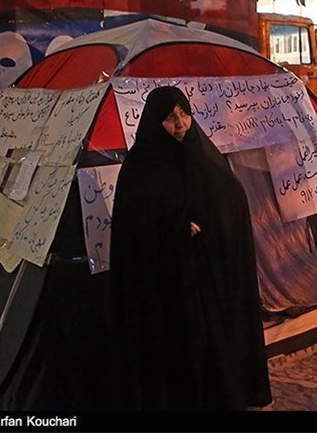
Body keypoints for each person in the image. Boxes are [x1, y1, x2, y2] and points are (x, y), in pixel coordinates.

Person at [109, 86, 271, 411]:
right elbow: (132, 230)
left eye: (184, 114)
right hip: (165, 284)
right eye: (170, 118)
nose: (180, 124)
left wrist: (215, 224)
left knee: (211, 343)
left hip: (206, 275)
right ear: (155, 122)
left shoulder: (203, 155)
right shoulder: (140, 168)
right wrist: (173, 229)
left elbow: (230, 200)